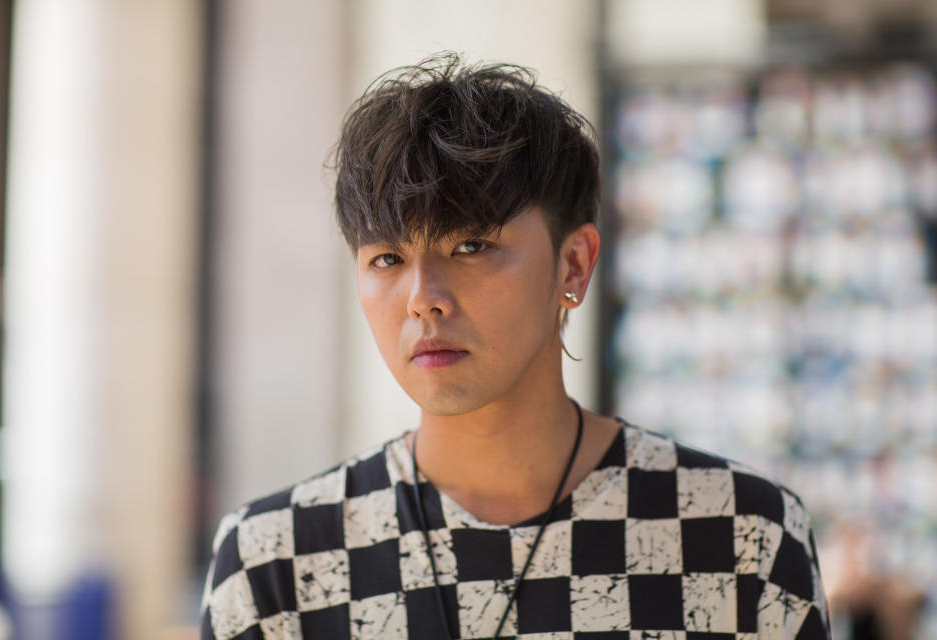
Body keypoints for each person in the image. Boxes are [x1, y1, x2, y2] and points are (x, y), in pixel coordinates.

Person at [201, 53, 831, 640]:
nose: (423, 298)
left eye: (470, 246)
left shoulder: (739, 535)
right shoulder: (276, 562)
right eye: (387, 257)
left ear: (573, 265)